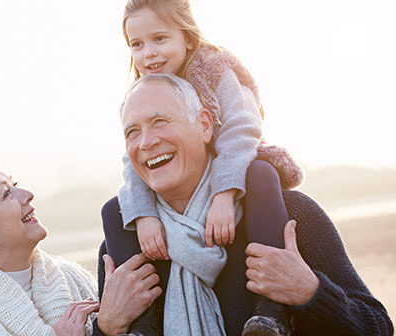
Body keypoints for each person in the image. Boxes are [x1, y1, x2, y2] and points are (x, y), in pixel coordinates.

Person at [99, 74, 393, 335]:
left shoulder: (289, 216)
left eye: (159, 121)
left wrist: (310, 292)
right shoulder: (124, 245)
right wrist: (107, 327)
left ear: (204, 125)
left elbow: (378, 327)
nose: (146, 142)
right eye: (132, 132)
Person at [115, 1, 303, 334]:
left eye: (160, 39)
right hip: (182, 190)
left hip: (236, 164)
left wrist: (224, 195)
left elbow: (241, 129)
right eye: (137, 44)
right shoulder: (140, 94)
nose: (149, 54)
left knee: (262, 174)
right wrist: (144, 215)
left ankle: (271, 310)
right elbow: (134, 163)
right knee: (113, 212)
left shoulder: (214, 69)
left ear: (187, 38)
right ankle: (143, 324)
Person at [0, 155, 162, 335]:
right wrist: (104, 328)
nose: (27, 194)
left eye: (15, 184)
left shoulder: (71, 276)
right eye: (5, 194)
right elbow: (107, 328)